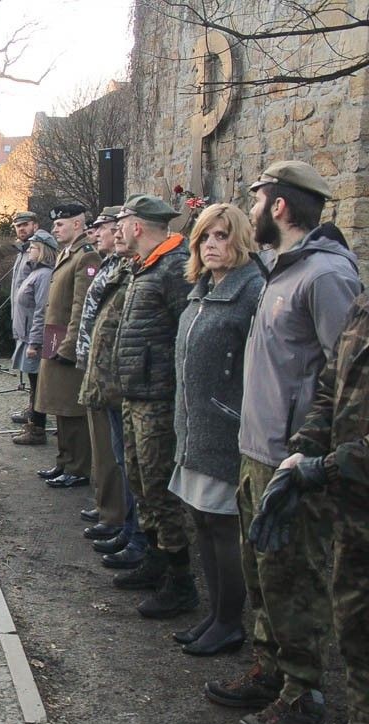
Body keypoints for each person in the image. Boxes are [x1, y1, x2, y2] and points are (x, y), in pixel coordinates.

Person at [205, 161, 361, 724]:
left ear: (279, 207)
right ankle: (272, 672)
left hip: (291, 459)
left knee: (293, 579)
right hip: (257, 449)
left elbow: (345, 377)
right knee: (265, 573)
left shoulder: (326, 277)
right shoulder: (281, 270)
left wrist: (308, 454)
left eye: (256, 199)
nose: (248, 211)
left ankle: (304, 695)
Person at [272, 288, 369, 724]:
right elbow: (333, 382)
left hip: (352, 483)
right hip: (355, 509)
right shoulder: (365, 303)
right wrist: (306, 446)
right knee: (356, 631)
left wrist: (326, 466)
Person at [169, 204, 264, 655]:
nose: (211, 245)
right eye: (205, 237)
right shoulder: (201, 291)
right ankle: (215, 613)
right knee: (202, 521)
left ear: (240, 240)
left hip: (225, 427)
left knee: (223, 525)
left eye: (222, 236)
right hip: (195, 426)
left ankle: (230, 621)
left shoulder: (252, 293)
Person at [107, 195, 196, 618]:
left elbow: (186, 334)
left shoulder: (174, 266)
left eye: (122, 221)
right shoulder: (145, 265)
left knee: (160, 490)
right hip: (136, 392)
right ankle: (156, 562)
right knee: (142, 484)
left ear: (138, 225)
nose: (117, 228)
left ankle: (180, 583)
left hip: (159, 397)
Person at [73, 208, 129, 543]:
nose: (99, 233)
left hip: (111, 373)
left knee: (113, 449)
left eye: (104, 228)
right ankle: (106, 504)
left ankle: (115, 512)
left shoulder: (120, 266)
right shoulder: (109, 263)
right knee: (104, 444)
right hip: (96, 366)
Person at [33, 204, 96, 489]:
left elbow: (81, 306)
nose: (56, 228)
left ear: (78, 224)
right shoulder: (67, 253)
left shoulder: (86, 256)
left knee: (72, 408)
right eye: (55, 224)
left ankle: (78, 466)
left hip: (67, 341)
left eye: (61, 224)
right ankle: (63, 460)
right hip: (54, 335)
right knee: (57, 404)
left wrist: (70, 346)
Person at [9, 231, 56, 444]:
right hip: (26, 334)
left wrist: (35, 342)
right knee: (33, 382)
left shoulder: (45, 274)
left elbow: (41, 310)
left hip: (33, 337)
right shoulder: (36, 272)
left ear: (43, 251)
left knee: (38, 384)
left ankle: (37, 428)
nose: (29, 251)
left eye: (34, 248)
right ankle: (33, 424)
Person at [8, 211, 40, 423]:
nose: (21, 229)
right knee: (31, 374)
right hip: (22, 321)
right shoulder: (23, 252)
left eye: (25, 225)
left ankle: (36, 416)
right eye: (18, 226)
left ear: (35, 225)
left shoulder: (38, 252)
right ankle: (33, 408)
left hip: (33, 324)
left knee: (36, 373)